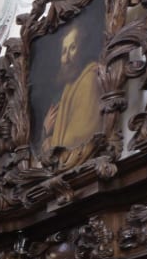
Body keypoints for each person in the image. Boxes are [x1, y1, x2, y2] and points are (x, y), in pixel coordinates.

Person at [39, 26, 103, 166]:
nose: (66, 58)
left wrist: (48, 142)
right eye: (63, 51)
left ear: (82, 50)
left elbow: (78, 137)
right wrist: (45, 130)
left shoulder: (89, 80)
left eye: (72, 48)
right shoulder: (68, 87)